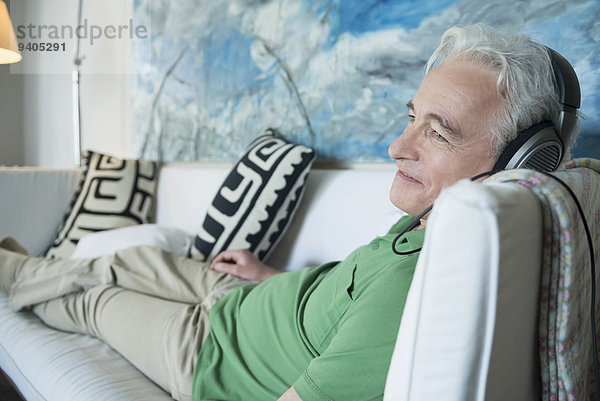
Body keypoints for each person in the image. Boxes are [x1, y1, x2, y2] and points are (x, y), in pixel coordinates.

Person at [0, 24, 576, 401]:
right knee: (129, 258)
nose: (398, 148)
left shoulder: (413, 292)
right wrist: (265, 276)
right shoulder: (429, 218)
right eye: (410, 117)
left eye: (439, 133)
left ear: (519, 161)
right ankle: (15, 265)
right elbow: (340, 298)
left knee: (91, 297)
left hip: (209, 351)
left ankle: (10, 270)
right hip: (240, 298)